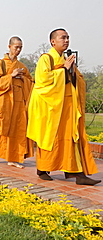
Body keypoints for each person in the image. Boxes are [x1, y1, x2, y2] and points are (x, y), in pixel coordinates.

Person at [27, 28, 100, 185]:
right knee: (50, 139)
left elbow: (77, 80)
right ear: (53, 41)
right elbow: (42, 82)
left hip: (67, 107)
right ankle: (43, 169)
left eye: (68, 38)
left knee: (71, 139)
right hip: (51, 109)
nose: (66, 40)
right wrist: (64, 70)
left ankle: (78, 174)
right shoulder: (46, 59)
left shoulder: (65, 59)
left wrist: (72, 71)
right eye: (63, 38)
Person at [0, 37, 34, 168]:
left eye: (20, 47)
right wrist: (11, 76)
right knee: (2, 128)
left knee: (17, 130)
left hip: (19, 103)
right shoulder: (1, 64)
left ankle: (12, 158)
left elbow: (30, 82)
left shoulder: (21, 66)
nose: (18, 50)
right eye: (16, 47)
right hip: (6, 102)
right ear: (9, 47)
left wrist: (22, 78)